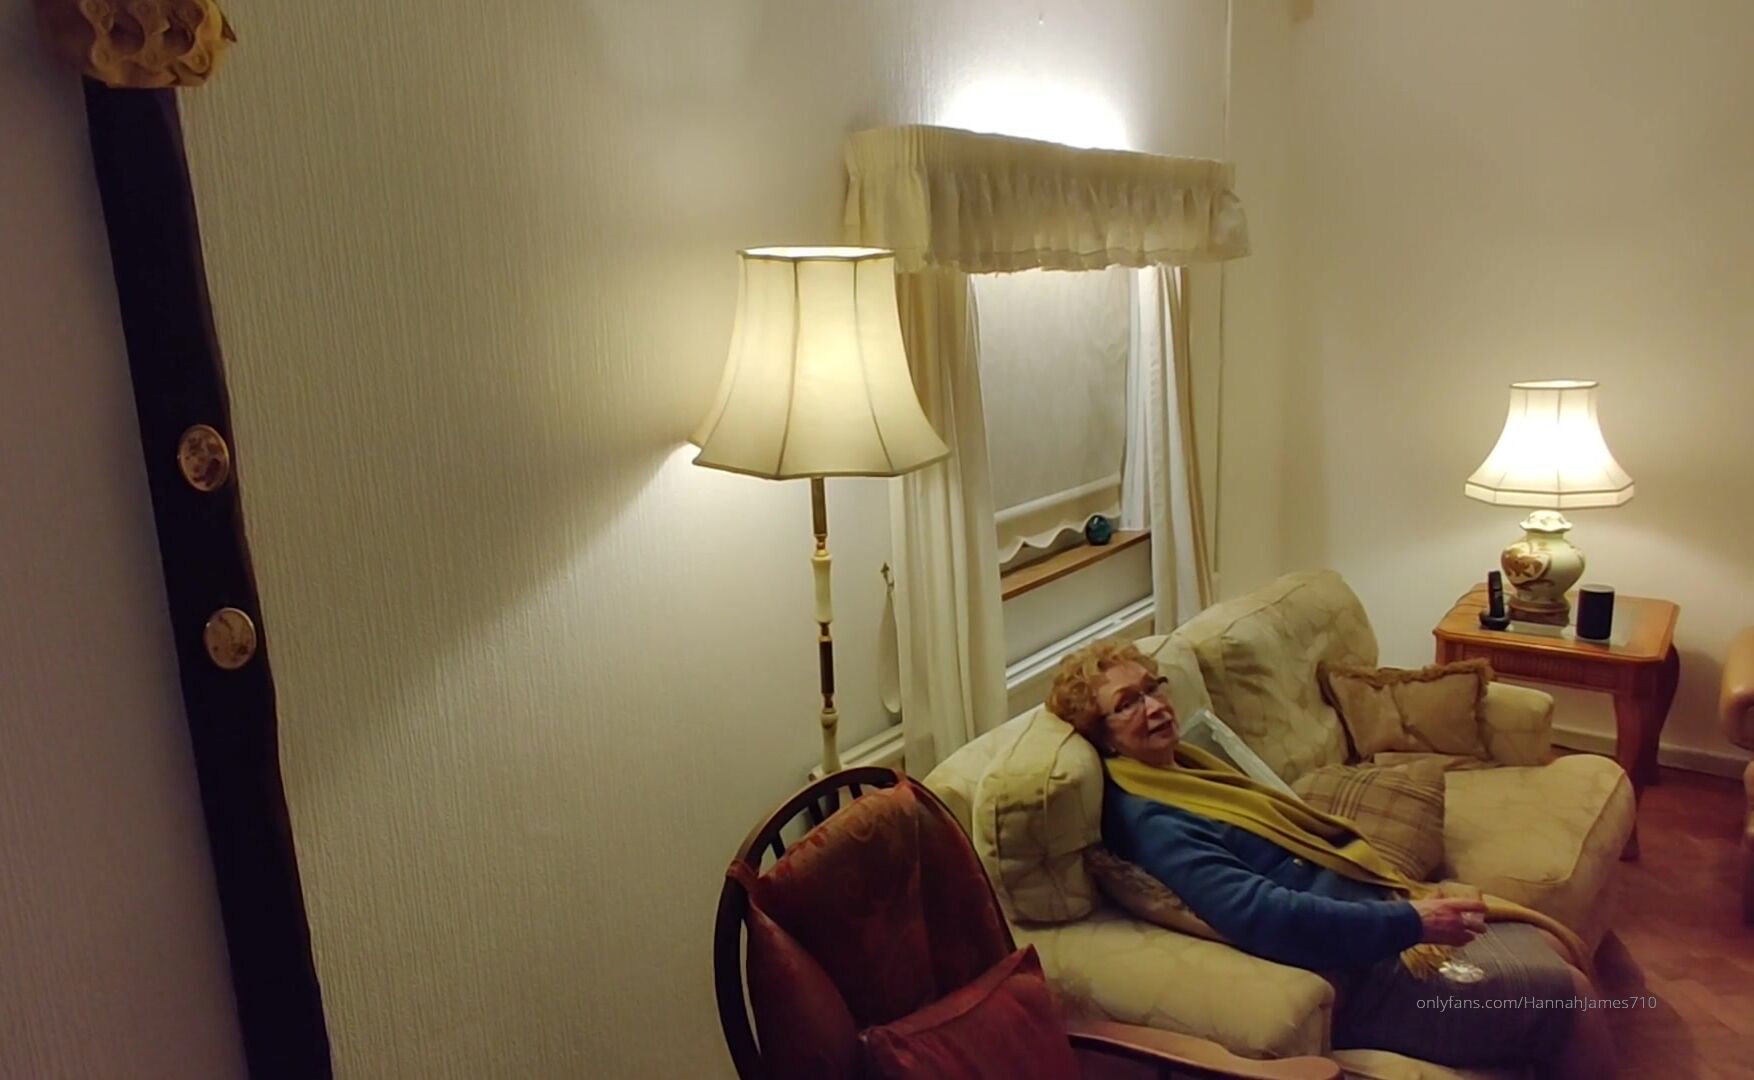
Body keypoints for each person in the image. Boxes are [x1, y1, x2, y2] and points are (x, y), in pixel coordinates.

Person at [1046, 639, 1615, 1078]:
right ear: (1103, 737)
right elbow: (1259, 913)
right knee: (1571, 995)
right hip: (1365, 972)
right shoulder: (1153, 818)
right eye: (1128, 704)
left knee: (1550, 946)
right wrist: (1412, 922)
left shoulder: (1187, 767)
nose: (1153, 707)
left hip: (1376, 914)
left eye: (1152, 688)